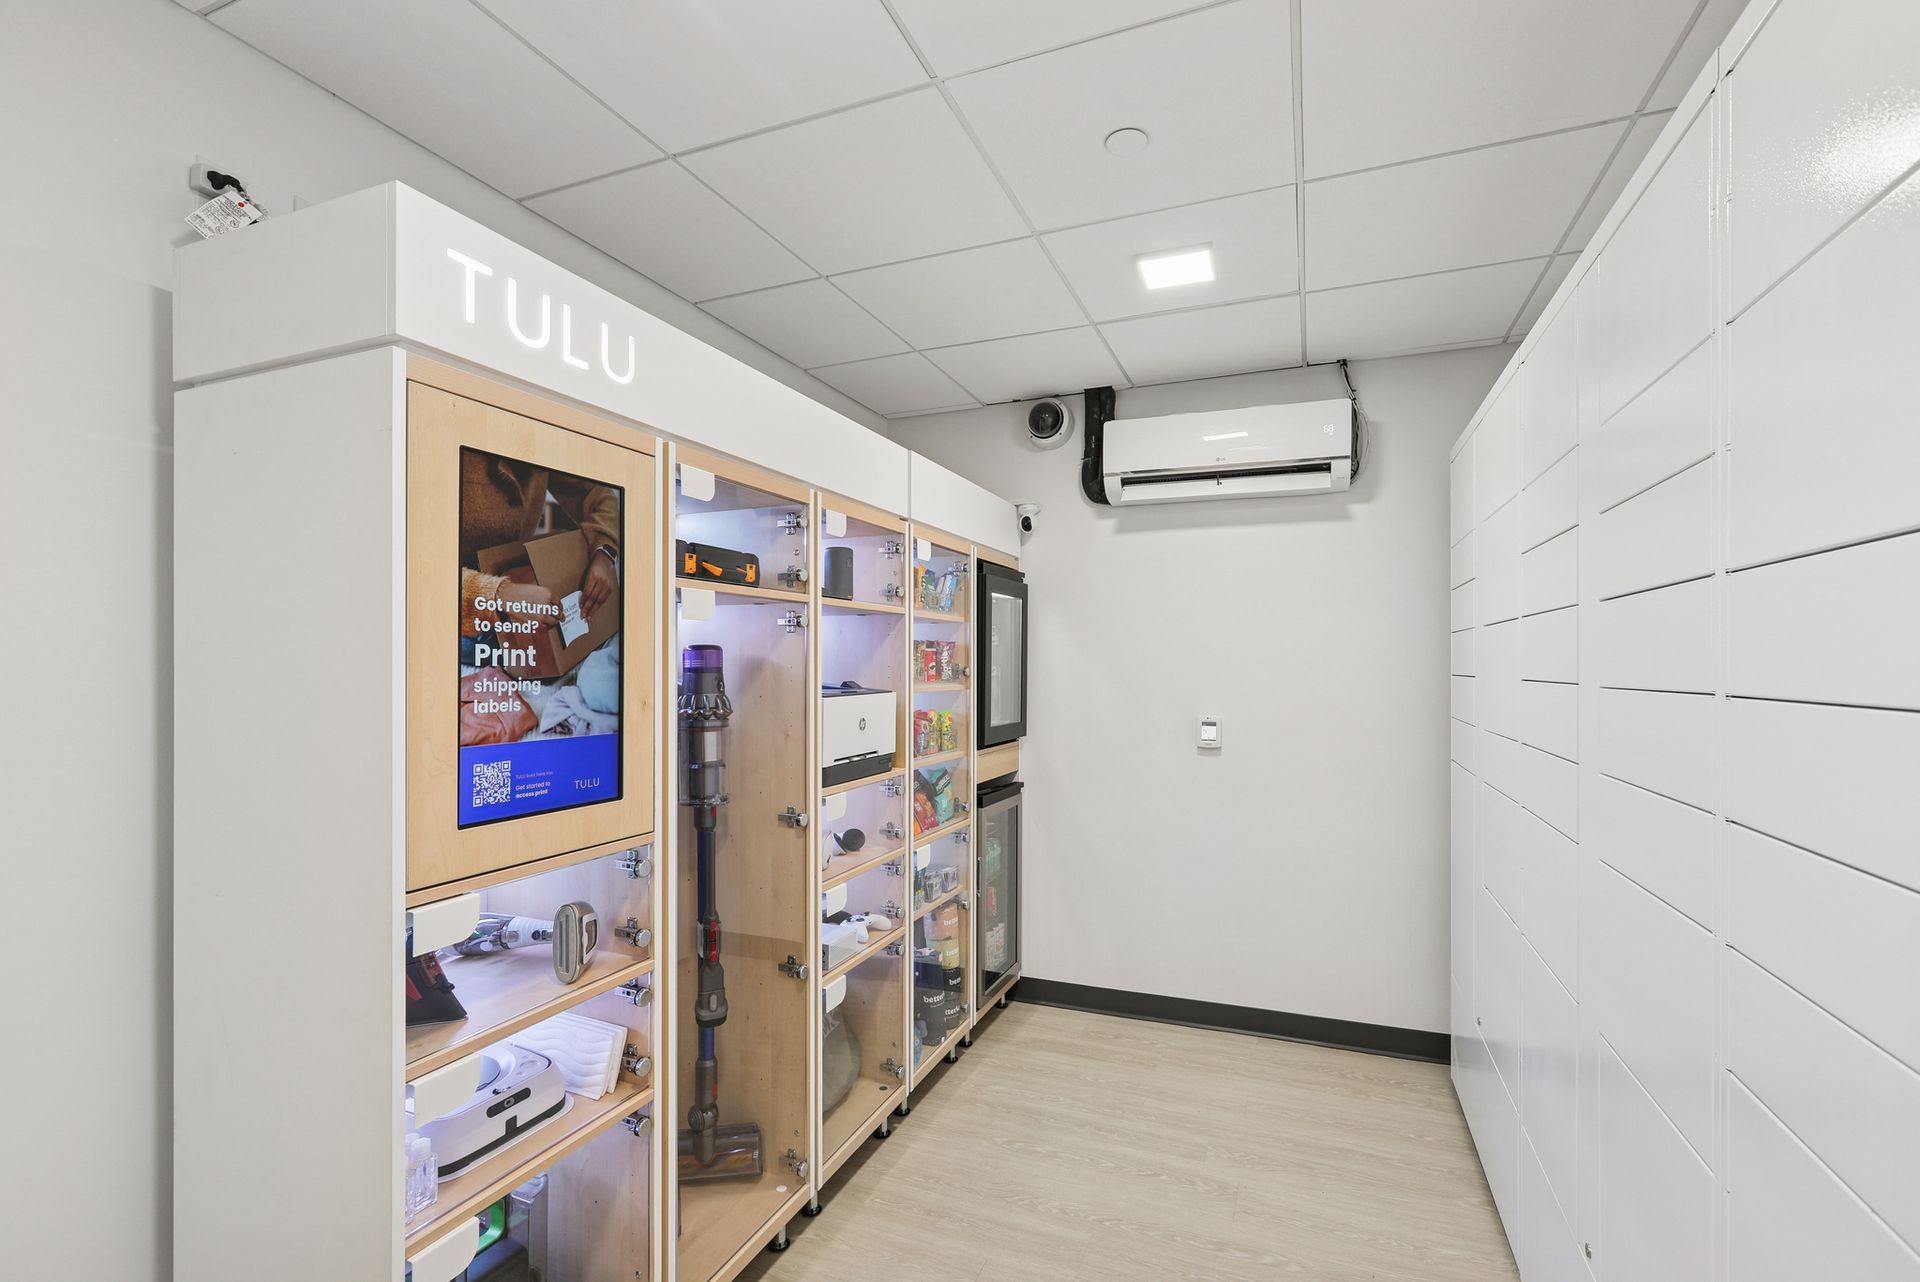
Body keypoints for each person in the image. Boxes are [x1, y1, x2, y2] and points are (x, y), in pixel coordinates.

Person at [459, 450, 621, 661]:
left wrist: (605, 552)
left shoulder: (540, 448)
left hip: (521, 625)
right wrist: (500, 595)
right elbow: (421, 573)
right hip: (455, 624)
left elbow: (598, 495)